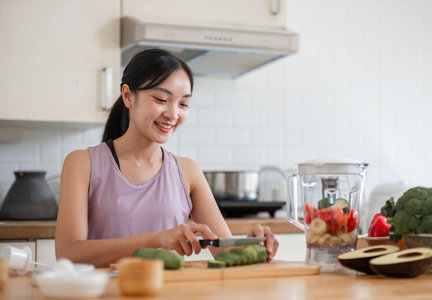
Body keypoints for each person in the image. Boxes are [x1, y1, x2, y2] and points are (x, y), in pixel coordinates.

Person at [55, 49, 279, 267]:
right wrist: (156, 240)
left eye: (183, 104)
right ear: (128, 96)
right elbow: (69, 254)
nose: (173, 114)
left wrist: (255, 246)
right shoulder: (82, 163)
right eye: (161, 99)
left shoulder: (188, 171)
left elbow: (225, 249)